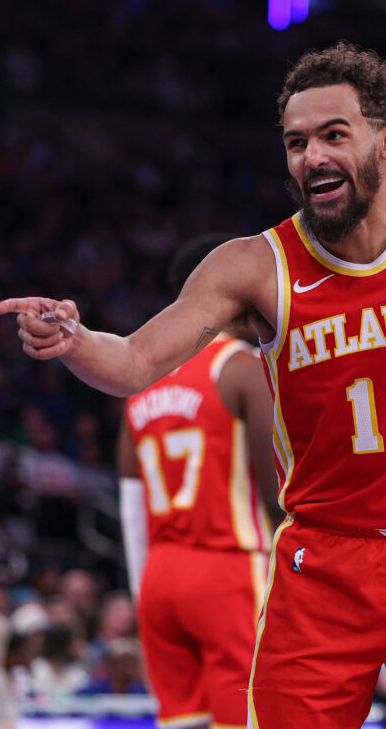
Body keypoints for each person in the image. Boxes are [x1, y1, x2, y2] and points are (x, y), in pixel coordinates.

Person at [0, 42, 386, 727]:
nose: (312, 157)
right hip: (324, 561)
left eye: (333, 135)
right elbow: (135, 362)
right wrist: (74, 340)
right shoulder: (253, 266)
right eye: (296, 142)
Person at [117, 234, 279, 729]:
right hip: (229, 570)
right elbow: (277, 483)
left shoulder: (140, 388)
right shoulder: (243, 370)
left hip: (159, 577)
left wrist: (142, 591)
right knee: (248, 719)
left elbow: (131, 505)